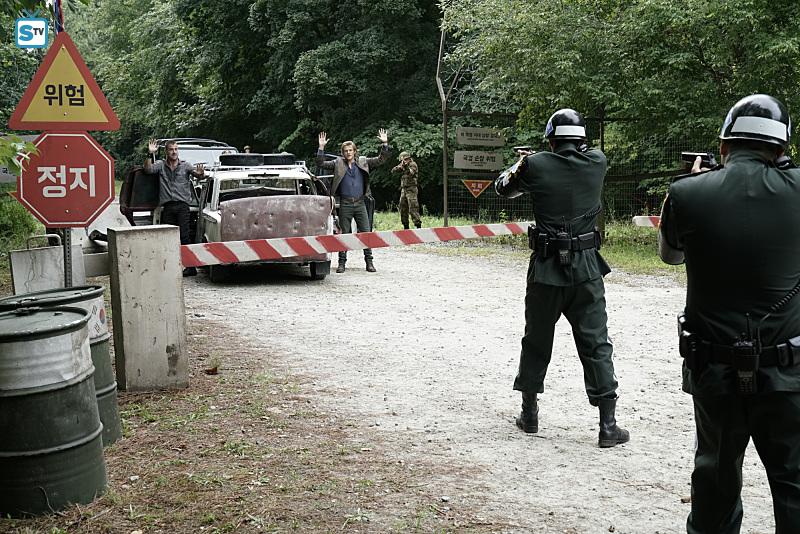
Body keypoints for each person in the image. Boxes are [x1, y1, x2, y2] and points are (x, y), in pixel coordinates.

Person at [659, 94, 800, 533]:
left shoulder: (685, 193)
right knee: (794, 482)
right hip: (788, 370)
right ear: (781, 148)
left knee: (715, 478)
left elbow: (670, 256)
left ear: (723, 146)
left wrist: (699, 184)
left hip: (714, 368)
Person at [495, 108, 629, 448]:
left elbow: (503, 189)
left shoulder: (536, 164)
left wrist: (522, 162)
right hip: (586, 268)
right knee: (596, 343)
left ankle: (529, 414)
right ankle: (608, 425)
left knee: (536, 339)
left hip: (546, 268)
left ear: (551, 139)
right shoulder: (597, 161)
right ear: (582, 139)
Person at [316, 129, 391, 273]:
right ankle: (342, 262)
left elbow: (381, 159)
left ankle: (369, 262)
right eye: (345, 151)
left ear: (355, 151)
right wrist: (321, 147)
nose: (348, 153)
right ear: (342, 153)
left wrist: (385, 143)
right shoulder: (338, 163)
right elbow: (320, 163)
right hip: (345, 203)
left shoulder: (363, 162)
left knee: (366, 232)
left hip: (360, 202)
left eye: (350, 150)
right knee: (344, 232)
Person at [145, 139, 204, 276]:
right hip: (168, 206)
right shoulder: (160, 165)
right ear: (166, 151)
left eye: (176, 149)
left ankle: (190, 267)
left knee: (184, 236)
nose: (174, 152)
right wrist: (150, 154)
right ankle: (169, 266)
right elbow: (147, 170)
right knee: (167, 237)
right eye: (171, 149)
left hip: (182, 206)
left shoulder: (186, 166)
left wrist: (201, 173)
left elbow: (198, 175)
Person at [391, 151, 422, 229]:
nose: (404, 161)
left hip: (412, 189)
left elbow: (411, 173)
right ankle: (405, 226)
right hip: (404, 189)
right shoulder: (403, 165)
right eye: (402, 160)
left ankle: (417, 225)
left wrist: (406, 167)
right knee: (403, 208)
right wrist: (400, 167)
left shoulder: (413, 164)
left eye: (405, 160)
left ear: (408, 159)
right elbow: (393, 170)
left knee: (413, 207)